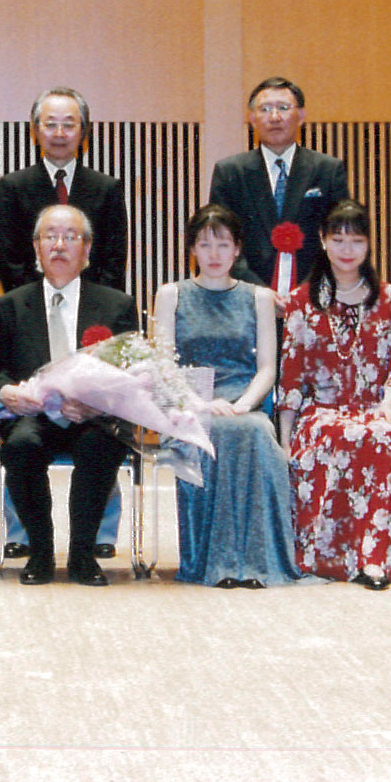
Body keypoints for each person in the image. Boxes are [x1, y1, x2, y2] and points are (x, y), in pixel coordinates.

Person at [277, 200, 391, 588]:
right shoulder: (301, 300)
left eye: (356, 240)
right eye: (337, 239)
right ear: (322, 241)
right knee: (346, 436)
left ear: (369, 245)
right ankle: (342, 557)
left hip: (378, 407)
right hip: (321, 412)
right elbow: (290, 375)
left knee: (388, 436)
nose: (347, 249)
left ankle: (380, 559)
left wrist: (388, 406)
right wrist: (285, 440)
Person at [155, 204, 309, 587]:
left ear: (237, 249)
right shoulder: (171, 294)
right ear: (191, 249)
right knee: (213, 432)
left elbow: (268, 369)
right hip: (188, 405)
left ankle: (256, 562)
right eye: (204, 245)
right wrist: (201, 404)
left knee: (255, 432)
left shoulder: (258, 297)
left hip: (243, 403)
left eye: (222, 245)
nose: (213, 254)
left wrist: (241, 405)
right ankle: (217, 563)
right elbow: (163, 366)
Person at [0, 204, 140, 587]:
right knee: (21, 446)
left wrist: (95, 403)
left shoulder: (116, 304)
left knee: (100, 446)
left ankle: (82, 555)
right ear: (36, 248)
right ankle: (40, 552)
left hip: (91, 415)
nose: (59, 245)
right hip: (32, 414)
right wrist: (6, 390)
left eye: (71, 237)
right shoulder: (10, 305)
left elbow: (129, 374)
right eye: (50, 237)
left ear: (87, 250)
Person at [206, 77, 349, 298]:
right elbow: (221, 239)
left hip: (314, 296)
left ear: (301, 116)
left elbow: (340, 236)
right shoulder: (230, 172)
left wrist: (306, 291)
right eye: (265, 109)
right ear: (252, 118)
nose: (275, 117)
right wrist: (259, 293)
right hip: (246, 296)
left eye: (283, 108)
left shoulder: (327, 170)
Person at [0, 87, 129, 295]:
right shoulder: (13, 187)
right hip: (31, 306)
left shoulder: (106, 189)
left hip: (92, 305)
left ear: (83, 130)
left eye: (68, 125)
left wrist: (95, 304)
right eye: (51, 124)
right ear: (36, 130)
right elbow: (10, 261)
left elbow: (114, 262)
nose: (59, 133)